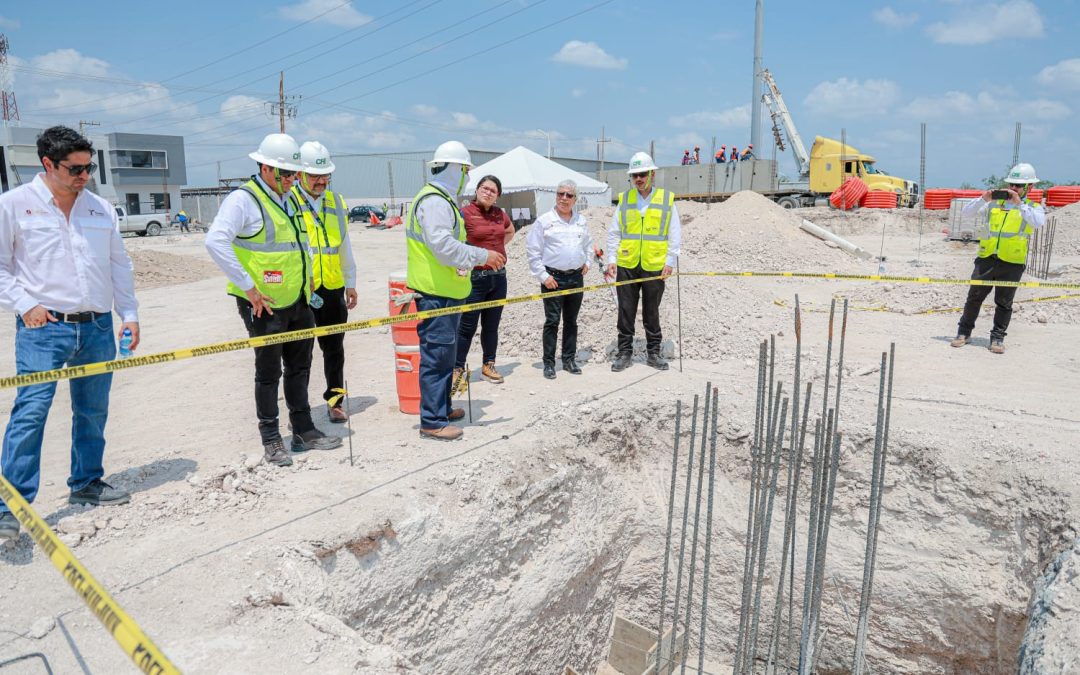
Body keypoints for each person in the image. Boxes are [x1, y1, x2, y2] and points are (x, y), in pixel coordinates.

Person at [0, 126, 139, 542]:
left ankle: (86, 483)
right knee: (32, 410)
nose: (84, 175)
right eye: (75, 168)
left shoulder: (99, 208)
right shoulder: (13, 206)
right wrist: (26, 305)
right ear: (47, 164)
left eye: (88, 167)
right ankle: (10, 506)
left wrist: (128, 314)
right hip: (43, 329)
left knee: (93, 409)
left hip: (96, 326)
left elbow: (119, 265)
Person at [205, 133, 342, 468]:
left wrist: (308, 273)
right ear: (266, 169)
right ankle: (271, 439)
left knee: (300, 366)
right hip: (262, 304)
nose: (294, 180)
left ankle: (303, 430)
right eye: (288, 174)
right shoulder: (244, 200)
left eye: (295, 174)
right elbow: (215, 242)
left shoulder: (290, 197)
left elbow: (301, 239)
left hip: (297, 299)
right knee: (268, 373)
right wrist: (248, 287)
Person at [406, 141, 505, 441]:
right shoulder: (435, 201)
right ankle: (433, 422)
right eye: (464, 170)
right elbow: (442, 248)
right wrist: (480, 256)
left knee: (446, 356)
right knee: (437, 357)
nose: (466, 177)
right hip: (436, 294)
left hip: (446, 292)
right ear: (454, 169)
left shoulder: (441, 199)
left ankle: (442, 408)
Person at [293, 141, 358, 423]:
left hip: (332, 288)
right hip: (301, 292)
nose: (321, 181)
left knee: (334, 350)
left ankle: (335, 401)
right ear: (299, 174)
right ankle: (301, 409)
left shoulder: (336, 202)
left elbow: (344, 246)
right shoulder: (288, 201)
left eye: (325, 175)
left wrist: (351, 281)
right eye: (315, 176)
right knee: (300, 354)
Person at [950, 162, 1046, 354]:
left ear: (1029, 188)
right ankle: (963, 333)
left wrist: (1020, 204)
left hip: (1012, 262)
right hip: (987, 258)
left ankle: (997, 339)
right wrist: (982, 199)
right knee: (974, 298)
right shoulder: (993, 203)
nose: (1013, 188)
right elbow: (966, 213)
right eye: (1011, 184)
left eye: (1018, 186)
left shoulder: (1033, 207)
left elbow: (1038, 222)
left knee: (1004, 303)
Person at [606, 152, 681, 372]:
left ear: (652, 174)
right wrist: (612, 258)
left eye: (642, 174)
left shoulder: (666, 199)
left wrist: (670, 261)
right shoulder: (625, 199)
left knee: (651, 311)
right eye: (634, 175)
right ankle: (625, 353)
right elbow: (615, 231)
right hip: (627, 264)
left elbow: (674, 233)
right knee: (626, 311)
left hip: (655, 264)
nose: (638, 179)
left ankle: (654, 353)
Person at [527, 179, 593, 380]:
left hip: (575, 278)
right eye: (560, 194)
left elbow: (588, 244)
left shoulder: (580, 221)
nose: (563, 198)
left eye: (569, 195)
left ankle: (569, 360)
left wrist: (588, 262)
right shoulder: (545, 221)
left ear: (575, 199)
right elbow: (533, 251)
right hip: (553, 279)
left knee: (571, 321)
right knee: (553, 321)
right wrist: (544, 276)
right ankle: (549, 363)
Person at [455, 174, 515, 387]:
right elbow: (456, 243)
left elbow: (509, 231)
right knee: (466, 326)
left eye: (493, 190)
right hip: (475, 279)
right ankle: (458, 368)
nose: (488, 192)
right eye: (485, 188)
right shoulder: (464, 213)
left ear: (498, 196)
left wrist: (498, 248)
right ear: (477, 189)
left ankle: (488, 365)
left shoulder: (500, 214)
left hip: (498, 279)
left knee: (492, 325)